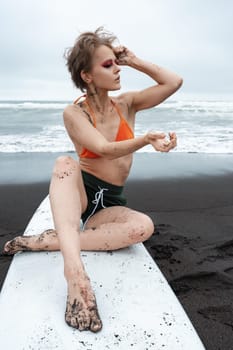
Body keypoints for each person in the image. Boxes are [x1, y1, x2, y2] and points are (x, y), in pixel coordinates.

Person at [3, 27, 182, 332]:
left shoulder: (127, 104)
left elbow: (173, 82)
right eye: (107, 64)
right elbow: (103, 149)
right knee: (64, 162)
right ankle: (75, 276)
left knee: (143, 227)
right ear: (87, 75)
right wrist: (146, 140)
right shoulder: (75, 113)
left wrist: (134, 60)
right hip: (81, 194)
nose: (116, 69)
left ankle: (51, 240)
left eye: (116, 62)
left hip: (109, 203)